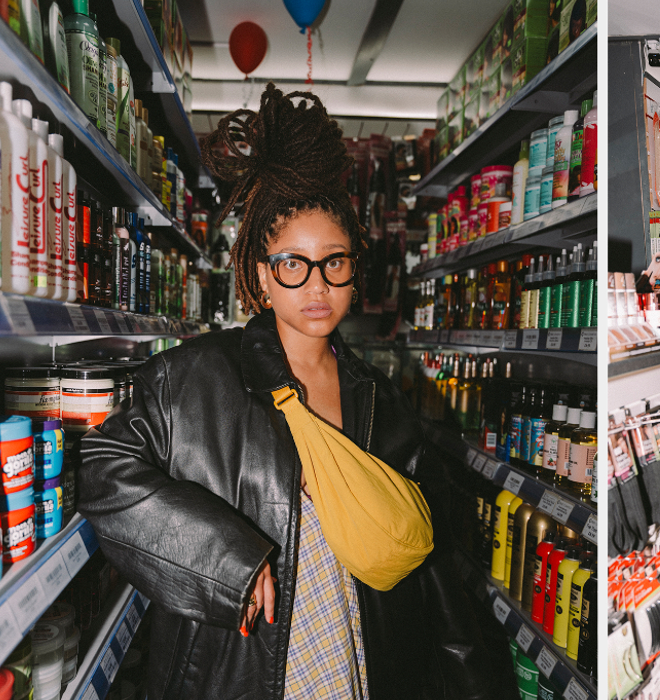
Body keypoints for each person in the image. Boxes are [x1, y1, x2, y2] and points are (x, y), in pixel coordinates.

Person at [77, 84, 488, 699]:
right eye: (293, 264)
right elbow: (101, 471)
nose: (316, 284)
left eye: (334, 262)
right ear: (261, 276)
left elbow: (432, 579)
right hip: (237, 672)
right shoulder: (193, 378)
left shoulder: (382, 402)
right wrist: (225, 560)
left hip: (353, 669)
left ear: (354, 273)